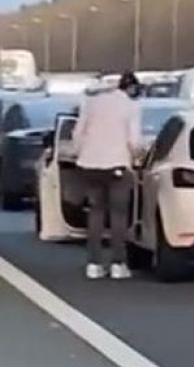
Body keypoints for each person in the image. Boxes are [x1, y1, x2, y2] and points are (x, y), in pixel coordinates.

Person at [73, 70, 142, 280]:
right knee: (118, 215)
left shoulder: (91, 103)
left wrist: (80, 154)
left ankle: (93, 264)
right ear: (131, 88)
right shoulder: (130, 106)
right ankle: (117, 264)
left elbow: (77, 134)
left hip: (90, 165)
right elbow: (134, 140)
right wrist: (137, 158)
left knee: (96, 212)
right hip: (117, 165)